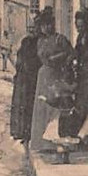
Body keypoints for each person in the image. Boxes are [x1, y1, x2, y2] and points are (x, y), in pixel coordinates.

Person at [29, 9, 74, 152]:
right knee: (42, 106)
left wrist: (59, 60)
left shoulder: (60, 39)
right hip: (43, 76)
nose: (47, 27)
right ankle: (41, 142)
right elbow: (40, 57)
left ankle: (53, 141)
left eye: (49, 24)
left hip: (57, 75)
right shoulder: (41, 41)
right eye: (44, 25)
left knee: (54, 107)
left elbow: (71, 54)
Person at [62, 10, 88, 138]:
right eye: (77, 26)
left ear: (86, 24)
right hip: (82, 75)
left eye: (81, 26)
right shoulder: (80, 37)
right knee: (81, 104)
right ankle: (82, 134)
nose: (78, 28)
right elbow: (77, 52)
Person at [9, 18, 41, 144]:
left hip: (34, 77)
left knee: (32, 105)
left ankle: (30, 132)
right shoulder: (26, 41)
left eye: (34, 28)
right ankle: (23, 132)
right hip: (24, 77)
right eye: (30, 28)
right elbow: (19, 59)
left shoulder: (39, 42)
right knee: (23, 104)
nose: (32, 31)